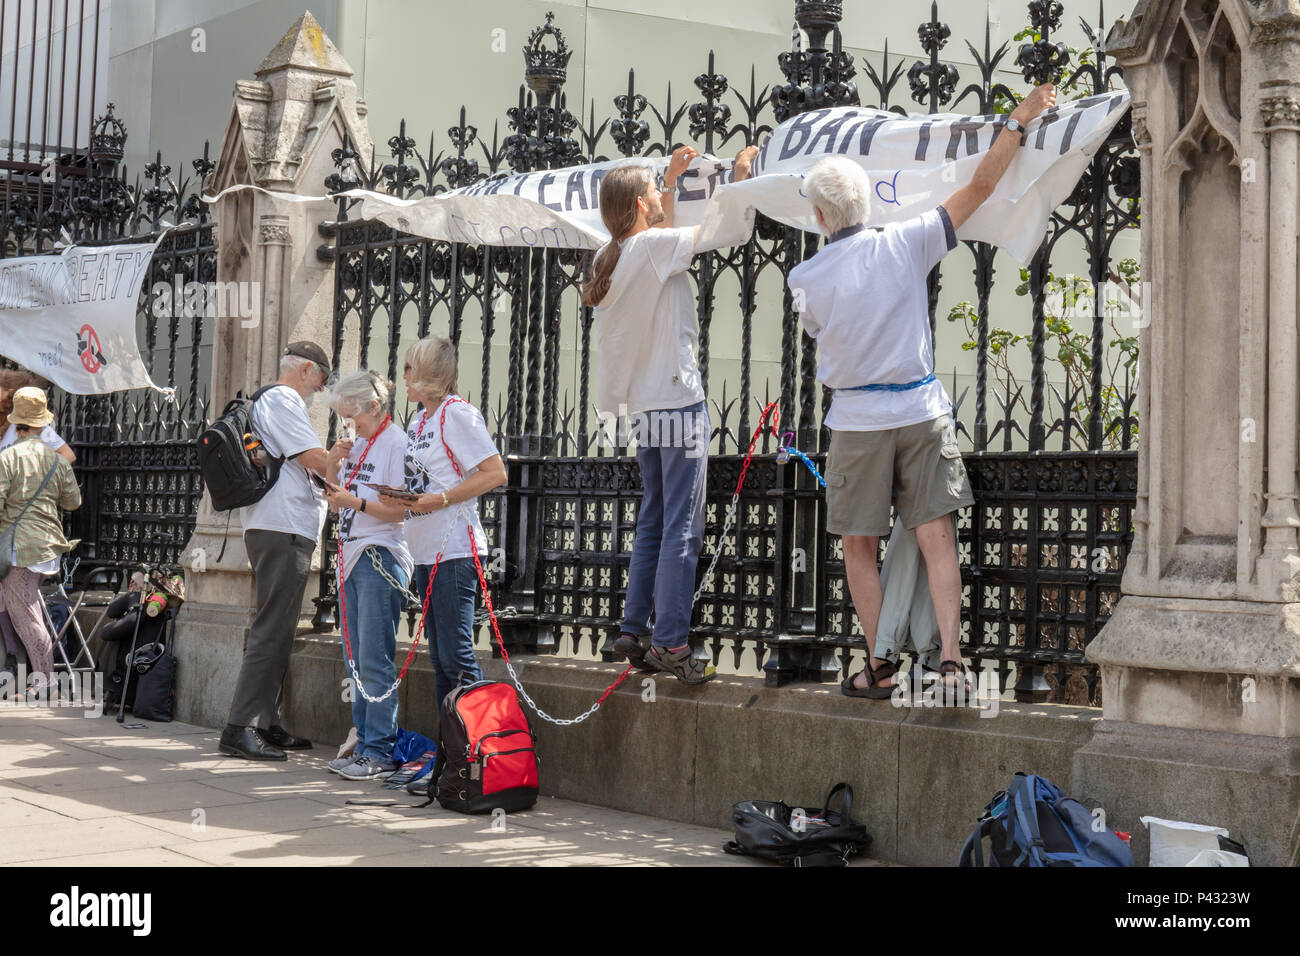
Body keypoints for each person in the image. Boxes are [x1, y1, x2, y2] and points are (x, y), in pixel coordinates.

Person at [787, 83, 1058, 700]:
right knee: (937, 537)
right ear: (867, 205)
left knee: (859, 546)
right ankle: (953, 662)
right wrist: (1013, 123)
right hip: (920, 408)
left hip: (856, 420)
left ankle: (880, 665)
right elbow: (980, 189)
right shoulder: (905, 242)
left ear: (821, 217)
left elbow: (821, 330)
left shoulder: (805, 277)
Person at [581, 143, 759, 685]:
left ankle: (633, 629)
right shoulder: (652, 248)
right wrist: (742, 179)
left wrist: (675, 181)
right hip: (680, 404)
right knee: (682, 523)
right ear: (639, 204)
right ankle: (672, 643)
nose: (661, 194)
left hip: (646, 409)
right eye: (654, 190)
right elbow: (726, 233)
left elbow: (666, 245)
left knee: (654, 520)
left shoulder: (609, 257)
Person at [219, 342, 333, 760]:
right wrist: (346, 456)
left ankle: (266, 722)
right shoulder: (284, 399)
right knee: (272, 627)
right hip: (282, 526)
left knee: (280, 626)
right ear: (306, 369)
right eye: (322, 377)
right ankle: (239, 727)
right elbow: (315, 460)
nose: (321, 388)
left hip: (275, 525)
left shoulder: (270, 400)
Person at [378, 337, 506, 709]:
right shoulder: (419, 420)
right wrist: (400, 496)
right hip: (425, 547)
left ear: (427, 374)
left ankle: (482, 746)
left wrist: (442, 499)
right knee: (440, 660)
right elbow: (426, 480)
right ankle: (451, 754)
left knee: (456, 657)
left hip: (454, 550)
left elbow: (495, 472)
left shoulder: (457, 413)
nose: (403, 377)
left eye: (410, 369)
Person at [320, 370, 413, 781]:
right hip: (352, 555)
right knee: (355, 658)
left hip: (380, 554)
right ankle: (363, 742)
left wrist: (353, 501)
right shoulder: (359, 443)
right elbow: (336, 503)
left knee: (374, 658)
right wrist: (333, 465)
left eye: (352, 416)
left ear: (374, 408)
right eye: (343, 418)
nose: (348, 425)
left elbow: (401, 510)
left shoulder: (396, 443)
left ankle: (379, 749)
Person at [0, 387, 80, 695]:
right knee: (23, 609)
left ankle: (44, 682)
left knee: (27, 614)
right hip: (47, 548)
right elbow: (73, 501)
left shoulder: (9, 457)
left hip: (19, 548)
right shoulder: (57, 461)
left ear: (17, 423)